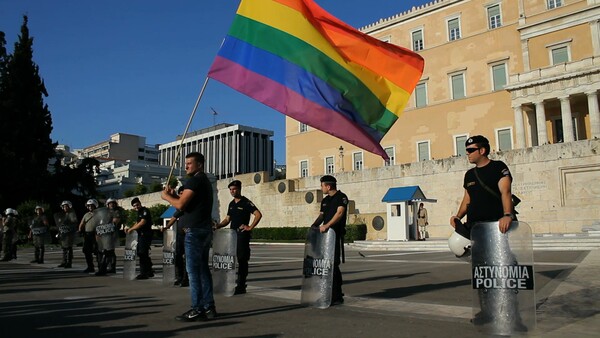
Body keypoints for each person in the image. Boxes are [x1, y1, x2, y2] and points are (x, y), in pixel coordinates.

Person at [161, 152, 216, 322]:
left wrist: (166, 196)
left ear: (200, 164)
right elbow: (188, 204)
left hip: (195, 231)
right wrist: (175, 196)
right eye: (185, 163)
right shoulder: (204, 181)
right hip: (204, 230)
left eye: (190, 163)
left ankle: (197, 308)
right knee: (202, 270)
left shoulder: (194, 180)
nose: (186, 166)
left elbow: (180, 204)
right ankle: (209, 307)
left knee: (192, 272)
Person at [449, 135, 515, 235]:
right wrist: (458, 217)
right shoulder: (469, 174)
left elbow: (506, 192)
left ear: (482, 150)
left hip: (495, 225)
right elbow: (467, 199)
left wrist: (507, 215)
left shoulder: (498, 167)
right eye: (466, 150)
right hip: (474, 227)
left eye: (471, 150)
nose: (467, 153)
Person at [215, 180, 262, 295]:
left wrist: (250, 227)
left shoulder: (246, 202)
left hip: (242, 235)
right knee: (229, 259)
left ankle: (241, 285)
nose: (232, 191)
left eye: (234, 189)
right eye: (230, 189)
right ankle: (227, 282)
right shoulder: (231, 204)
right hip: (232, 236)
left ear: (239, 189)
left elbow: (258, 214)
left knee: (242, 260)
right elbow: (227, 219)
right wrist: (219, 225)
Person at [310, 175, 348, 306]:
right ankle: (326, 293)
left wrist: (327, 225)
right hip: (324, 237)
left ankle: (337, 295)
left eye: (322, 186)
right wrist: (313, 226)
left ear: (328, 186)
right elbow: (322, 216)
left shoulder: (341, 197)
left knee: (333, 265)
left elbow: (340, 213)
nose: (321, 188)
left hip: (335, 235)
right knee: (324, 265)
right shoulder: (325, 200)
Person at [163, 187, 189, 287]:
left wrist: (169, 196)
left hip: (188, 234)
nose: (182, 195)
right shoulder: (180, 206)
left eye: (184, 193)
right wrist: (167, 226)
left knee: (187, 258)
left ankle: (186, 279)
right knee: (177, 255)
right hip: (180, 235)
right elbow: (174, 217)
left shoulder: (188, 204)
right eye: (181, 193)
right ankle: (179, 277)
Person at [127, 197, 154, 280]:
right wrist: (130, 229)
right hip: (140, 235)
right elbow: (137, 223)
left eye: (137, 205)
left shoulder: (145, 211)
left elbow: (142, 222)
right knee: (142, 253)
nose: (136, 207)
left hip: (145, 235)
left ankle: (143, 273)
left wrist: (132, 229)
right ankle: (149, 271)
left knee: (142, 253)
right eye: (134, 206)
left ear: (140, 203)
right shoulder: (139, 212)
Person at [79, 199, 99, 273]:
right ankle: (90, 267)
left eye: (91, 205)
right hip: (87, 234)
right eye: (89, 206)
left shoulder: (99, 214)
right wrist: (80, 229)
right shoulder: (86, 215)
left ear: (95, 206)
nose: (90, 207)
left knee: (97, 251)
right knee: (87, 251)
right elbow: (82, 223)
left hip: (96, 234)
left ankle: (100, 266)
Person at [56, 201, 78, 268]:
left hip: (69, 233)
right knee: (64, 248)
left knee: (68, 248)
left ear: (69, 207)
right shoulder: (64, 215)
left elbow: (74, 222)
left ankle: (68, 262)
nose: (65, 208)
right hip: (64, 233)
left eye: (66, 206)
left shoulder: (71, 214)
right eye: (64, 206)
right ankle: (64, 261)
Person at [104, 198, 123, 274]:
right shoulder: (106, 213)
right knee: (106, 251)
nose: (111, 204)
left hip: (112, 233)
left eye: (113, 203)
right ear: (107, 205)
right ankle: (108, 266)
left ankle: (112, 267)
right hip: (105, 233)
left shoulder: (116, 212)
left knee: (111, 251)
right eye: (110, 203)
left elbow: (115, 221)